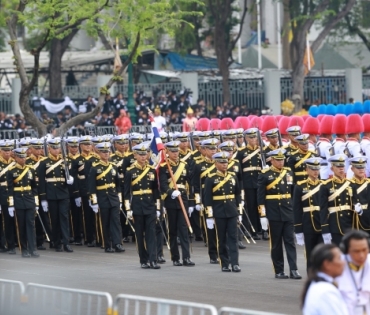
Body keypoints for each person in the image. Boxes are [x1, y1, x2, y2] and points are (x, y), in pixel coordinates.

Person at [257, 148, 301, 279]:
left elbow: (293, 193)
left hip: (288, 211)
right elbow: (260, 197)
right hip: (273, 212)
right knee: (276, 243)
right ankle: (279, 270)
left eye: (282, 160)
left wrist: (294, 210)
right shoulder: (264, 174)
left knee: (290, 242)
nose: (281, 162)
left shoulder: (289, 172)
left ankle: (294, 269)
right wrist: (263, 215)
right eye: (278, 160)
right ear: (271, 160)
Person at [203, 151, 242, 272]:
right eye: (221, 162)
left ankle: (235, 263)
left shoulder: (232, 176)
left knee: (233, 238)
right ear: (216, 163)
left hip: (231, 211)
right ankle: (224, 263)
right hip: (219, 211)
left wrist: (239, 212)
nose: (225, 164)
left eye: (226, 162)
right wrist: (209, 216)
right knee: (222, 238)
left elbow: (237, 195)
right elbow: (207, 198)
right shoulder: (210, 178)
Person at [159, 141, 195, 267]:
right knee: (173, 230)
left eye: (176, 151)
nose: (175, 153)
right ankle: (175, 258)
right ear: (167, 152)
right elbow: (163, 185)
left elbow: (189, 185)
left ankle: (186, 257)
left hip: (183, 199)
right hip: (171, 200)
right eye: (172, 151)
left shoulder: (184, 165)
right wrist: (170, 192)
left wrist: (191, 202)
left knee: (183, 230)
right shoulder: (164, 166)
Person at [124, 142, 160, 268]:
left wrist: (158, 207)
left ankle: (153, 259)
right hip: (137, 206)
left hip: (150, 206)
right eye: (140, 154)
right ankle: (143, 260)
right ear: (135, 155)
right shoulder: (130, 171)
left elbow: (156, 191)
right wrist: (128, 209)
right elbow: (127, 193)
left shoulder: (152, 170)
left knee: (151, 234)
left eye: (145, 154)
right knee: (139, 235)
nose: (143, 157)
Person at [37, 138, 74, 253]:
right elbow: (41, 181)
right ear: (49, 149)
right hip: (51, 194)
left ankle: (66, 242)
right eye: (54, 148)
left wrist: (70, 180)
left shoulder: (65, 161)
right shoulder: (44, 162)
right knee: (55, 219)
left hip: (63, 193)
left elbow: (69, 175)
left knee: (64, 218)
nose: (56, 150)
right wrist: (43, 198)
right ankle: (57, 242)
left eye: (58, 148)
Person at [88, 142, 125, 253]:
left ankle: (117, 243)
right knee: (105, 222)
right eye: (103, 152)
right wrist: (94, 201)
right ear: (98, 153)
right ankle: (107, 244)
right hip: (102, 197)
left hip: (113, 197)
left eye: (107, 151)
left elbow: (118, 185)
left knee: (116, 221)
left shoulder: (113, 166)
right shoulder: (95, 168)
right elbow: (92, 186)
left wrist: (120, 199)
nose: (106, 154)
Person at [320, 154, 361, 246]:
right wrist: (325, 229)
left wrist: (359, 210)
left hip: (349, 223)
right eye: (338, 166)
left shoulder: (351, 184)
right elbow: (323, 209)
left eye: (342, 166)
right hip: (335, 224)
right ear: (332, 168)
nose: (341, 168)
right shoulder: (326, 186)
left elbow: (355, 203)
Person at [7, 148, 39, 258]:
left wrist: (36, 202)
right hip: (18, 200)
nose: (23, 159)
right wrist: (11, 205)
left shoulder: (30, 170)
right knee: (21, 226)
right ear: (15, 157)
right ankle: (24, 249)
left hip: (29, 200)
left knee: (31, 225)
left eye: (24, 156)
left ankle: (33, 248)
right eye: (20, 157)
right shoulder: (11, 171)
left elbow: (34, 188)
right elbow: (9, 189)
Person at [293, 157, 323, 271]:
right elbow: (297, 209)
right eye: (313, 169)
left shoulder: (323, 185)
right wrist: (298, 229)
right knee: (310, 254)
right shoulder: (300, 186)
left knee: (321, 254)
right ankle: (311, 278)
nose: (316, 171)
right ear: (307, 170)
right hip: (308, 223)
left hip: (321, 222)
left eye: (317, 169)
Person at [302, 243, 348, 315]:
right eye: (339, 258)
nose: (344, 262)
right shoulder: (327, 291)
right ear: (327, 264)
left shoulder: (318, 284)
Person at [337, 230, 370, 315]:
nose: (362, 255)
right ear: (346, 250)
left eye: (364, 250)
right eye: (356, 251)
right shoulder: (336, 268)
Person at [349, 157, 370, 234]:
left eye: (363, 167)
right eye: (358, 167)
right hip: (355, 219)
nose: (361, 169)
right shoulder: (349, 184)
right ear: (352, 169)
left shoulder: (368, 183)